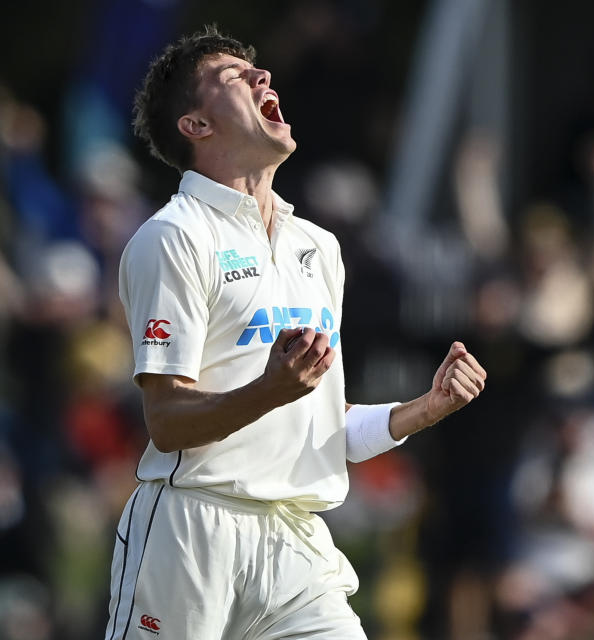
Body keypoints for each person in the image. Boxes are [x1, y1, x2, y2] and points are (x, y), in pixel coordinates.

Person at [105, 26, 487, 639]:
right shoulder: (175, 237)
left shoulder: (319, 247)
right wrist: (271, 390)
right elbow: (167, 421)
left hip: (296, 541)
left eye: (258, 72)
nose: (263, 78)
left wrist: (421, 409)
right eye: (233, 77)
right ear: (196, 126)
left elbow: (319, 424)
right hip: (192, 530)